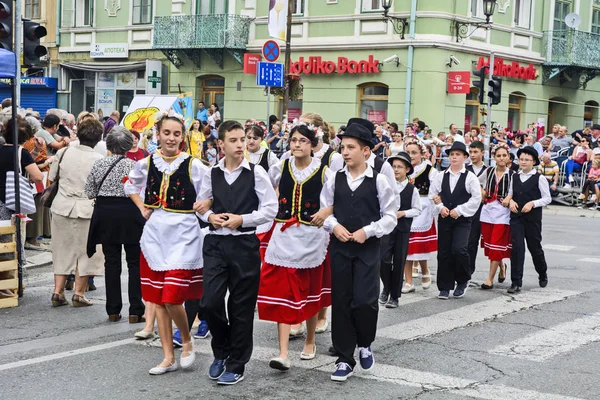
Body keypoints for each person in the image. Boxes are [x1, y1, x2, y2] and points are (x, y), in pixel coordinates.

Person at [124, 115, 208, 374]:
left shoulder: (194, 165)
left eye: (176, 133)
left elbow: (210, 194)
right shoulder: (147, 163)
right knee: (159, 300)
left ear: (183, 136)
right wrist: (142, 208)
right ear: (157, 134)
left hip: (184, 234)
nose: (171, 138)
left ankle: (185, 339)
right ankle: (167, 357)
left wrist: (207, 206)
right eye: (167, 133)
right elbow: (130, 186)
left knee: (172, 298)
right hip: (156, 234)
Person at [196, 120, 278, 385]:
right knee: (209, 302)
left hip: (244, 245)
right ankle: (221, 350)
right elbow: (202, 206)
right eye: (234, 140)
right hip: (216, 244)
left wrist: (242, 219)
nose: (240, 145)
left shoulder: (256, 173)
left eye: (242, 139)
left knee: (241, 307)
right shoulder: (212, 172)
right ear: (221, 144)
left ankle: (237, 363)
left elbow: (270, 209)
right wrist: (211, 216)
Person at [320, 119, 396, 382]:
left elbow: (390, 216)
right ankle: (344, 358)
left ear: (366, 151)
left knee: (364, 300)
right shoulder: (334, 178)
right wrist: (334, 226)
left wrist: (369, 230)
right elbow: (325, 210)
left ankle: (364, 342)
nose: (345, 152)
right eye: (343, 147)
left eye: (351, 147)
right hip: (340, 247)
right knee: (341, 301)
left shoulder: (380, 181)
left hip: (367, 248)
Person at [257, 124, 333, 372]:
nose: (297, 144)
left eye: (302, 140)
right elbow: (266, 192)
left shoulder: (324, 172)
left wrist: (326, 211)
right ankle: (282, 353)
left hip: (311, 237)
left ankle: (310, 340)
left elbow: (336, 199)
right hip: (283, 235)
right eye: (293, 140)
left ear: (312, 144)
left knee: (310, 290)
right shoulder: (280, 167)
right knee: (280, 290)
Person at [85, 126, 146, 322]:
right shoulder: (134, 166)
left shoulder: (99, 165)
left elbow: (89, 192)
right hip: (130, 214)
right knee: (135, 262)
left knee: (111, 262)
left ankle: (113, 309)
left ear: (109, 145)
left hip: (106, 214)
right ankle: (136, 309)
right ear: (128, 146)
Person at [49, 117, 104, 307]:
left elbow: (51, 177)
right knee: (87, 251)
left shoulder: (63, 153)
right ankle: (79, 293)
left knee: (61, 248)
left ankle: (58, 291)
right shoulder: (99, 159)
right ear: (98, 138)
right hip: (87, 209)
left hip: (62, 205)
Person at [429, 141, 482, 299]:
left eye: (458, 154)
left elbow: (476, 198)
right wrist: (441, 208)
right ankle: (444, 286)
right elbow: (433, 194)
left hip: (462, 220)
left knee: (459, 249)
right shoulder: (441, 175)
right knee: (444, 252)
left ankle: (463, 279)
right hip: (445, 218)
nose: (454, 157)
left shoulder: (470, 177)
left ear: (465, 157)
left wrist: (459, 210)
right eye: (452, 154)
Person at [379, 152, 421, 308]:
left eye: (399, 167)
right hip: (386, 228)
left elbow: (417, 209)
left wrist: (403, 213)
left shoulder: (412, 189)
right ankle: (387, 287)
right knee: (382, 259)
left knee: (398, 261)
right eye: (394, 166)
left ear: (407, 169)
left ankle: (394, 296)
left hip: (402, 229)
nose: (396, 170)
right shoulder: (386, 185)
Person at [507, 146, 551, 294]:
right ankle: (516, 282)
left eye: (527, 160)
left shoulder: (539, 178)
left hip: (532, 219)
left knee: (535, 248)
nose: (524, 162)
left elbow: (547, 198)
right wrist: (511, 202)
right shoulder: (514, 176)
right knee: (517, 248)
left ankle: (542, 272)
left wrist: (533, 203)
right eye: (521, 159)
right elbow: (510, 194)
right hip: (516, 217)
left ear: (533, 161)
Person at [403, 141, 437, 293]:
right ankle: (408, 281)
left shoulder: (429, 170)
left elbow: (435, 191)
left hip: (423, 209)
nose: (411, 156)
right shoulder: (402, 169)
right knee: (406, 247)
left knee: (418, 246)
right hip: (406, 209)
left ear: (422, 154)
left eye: (414, 152)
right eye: (408, 152)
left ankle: (425, 270)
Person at [480, 144, 514, 289]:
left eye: (504, 156)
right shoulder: (488, 171)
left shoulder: (512, 174)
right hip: (487, 212)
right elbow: (475, 181)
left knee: (496, 246)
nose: (501, 158)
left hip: (503, 213)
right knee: (490, 246)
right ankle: (502, 266)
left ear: (508, 158)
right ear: (494, 157)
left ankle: (489, 279)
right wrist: (482, 191)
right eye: (498, 156)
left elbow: (515, 190)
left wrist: (510, 197)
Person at [465, 141, 487, 276]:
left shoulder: (488, 171)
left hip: (481, 210)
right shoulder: (465, 169)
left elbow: (486, 194)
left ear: (482, 153)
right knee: (464, 242)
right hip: (465, 209)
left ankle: (469, 270)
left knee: (473, 242)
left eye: (475, 152)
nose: (472, 155)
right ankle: (464, 269)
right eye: (470, 152)